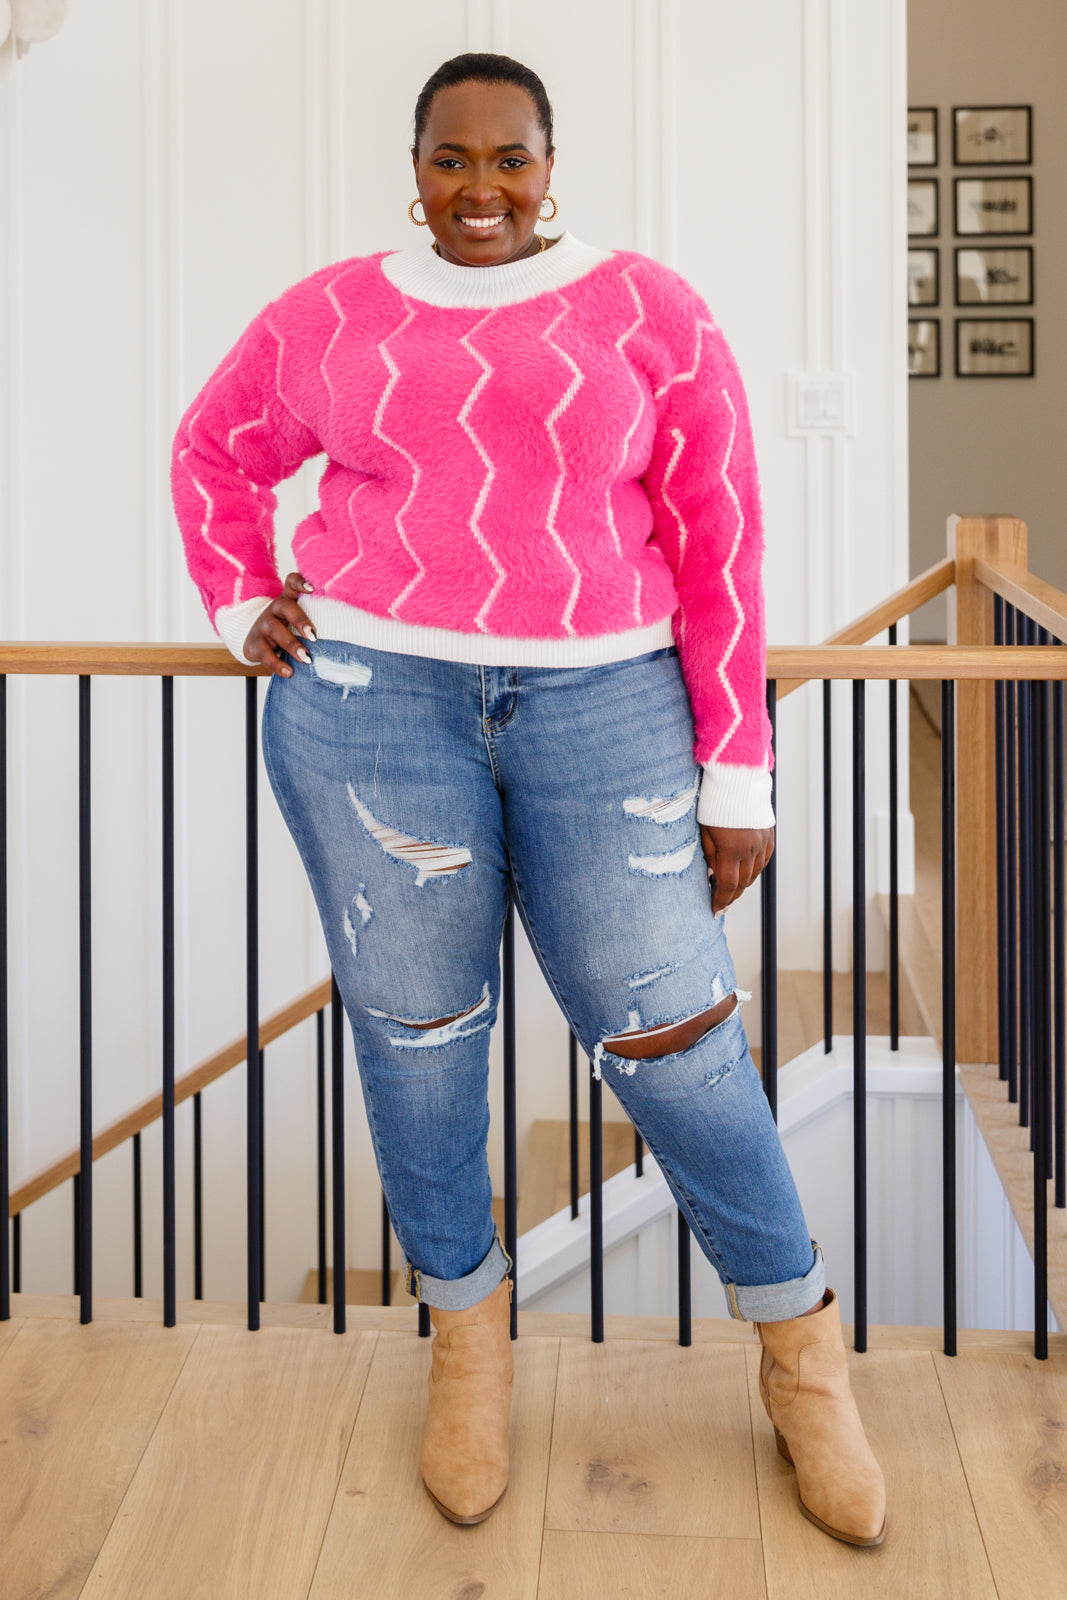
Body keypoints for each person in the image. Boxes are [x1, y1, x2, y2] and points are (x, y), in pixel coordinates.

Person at [171, 52, 885, 1546]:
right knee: (421, 1041)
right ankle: (468, 1343)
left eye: (509, 159)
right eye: (451, 160)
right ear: (415, 168)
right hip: (371, 709)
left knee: (676, 1040)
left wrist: (737, 763)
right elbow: (215, 450)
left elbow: (720, 535)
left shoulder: (648, 309)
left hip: (610, 708)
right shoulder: (334, 314)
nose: (479, 188)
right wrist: (245, 602)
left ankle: (801, 1350)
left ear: (552, 165)